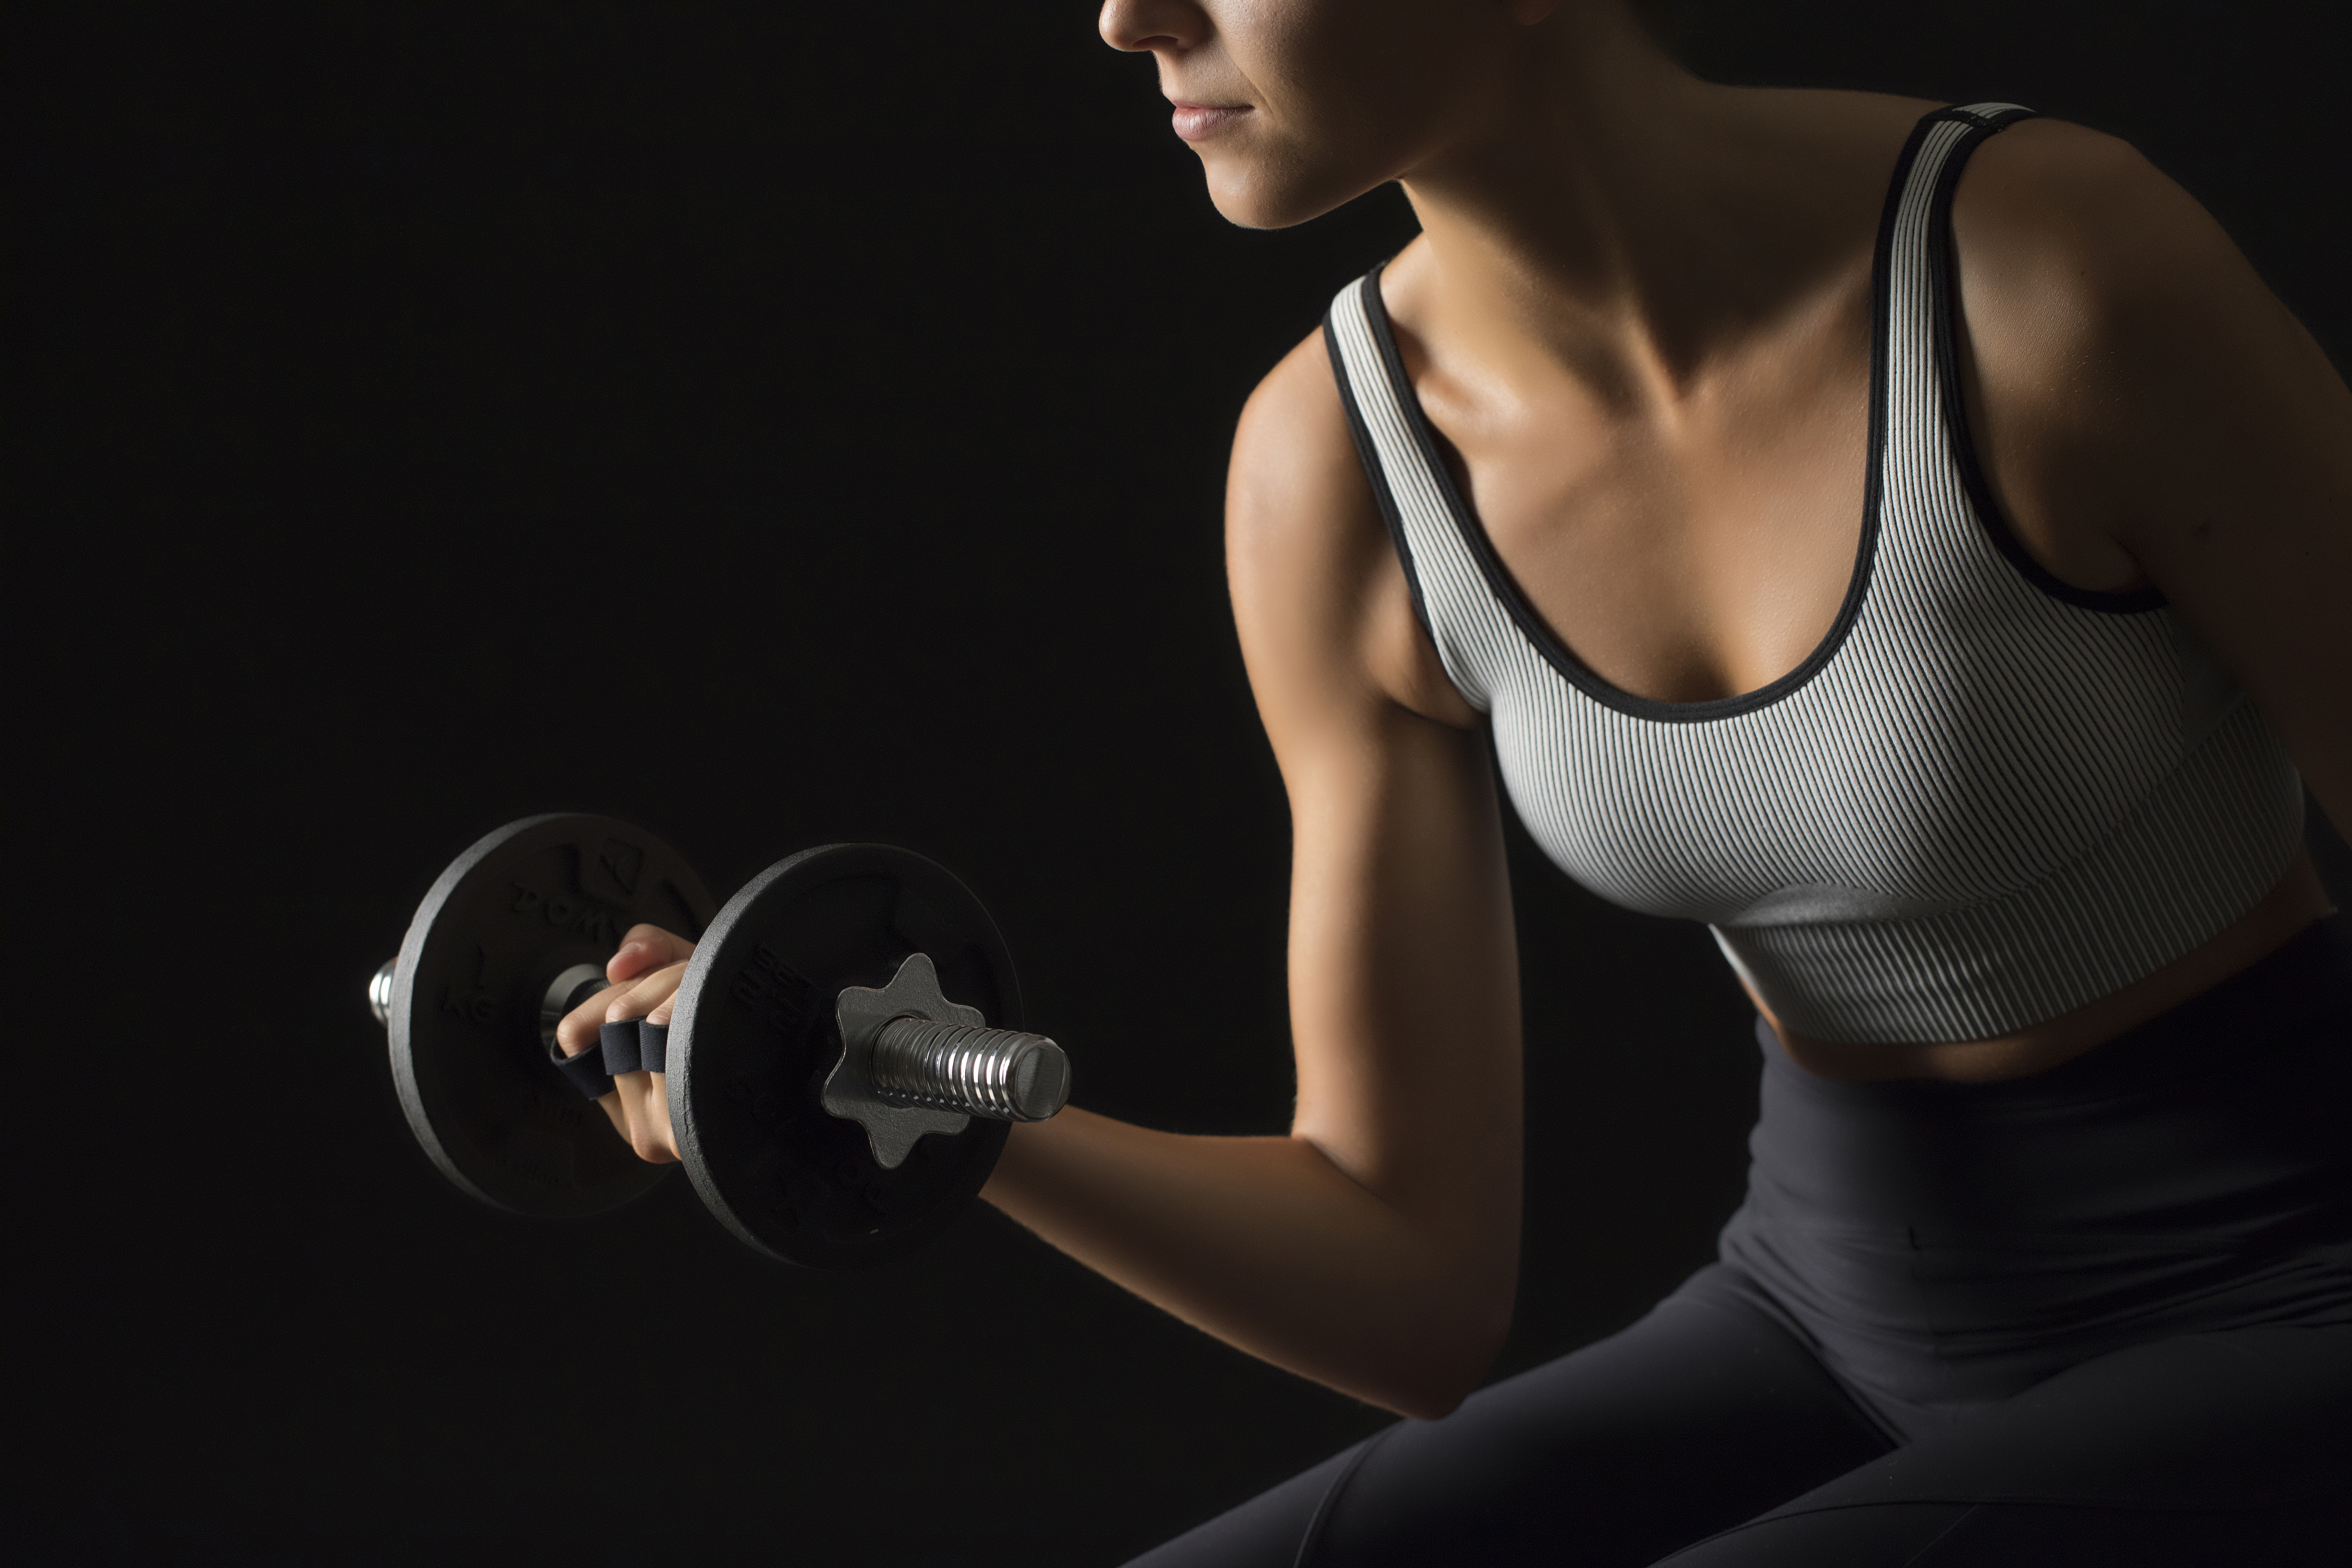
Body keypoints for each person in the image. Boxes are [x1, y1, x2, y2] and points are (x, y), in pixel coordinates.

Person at [558, 2, 2352, 1560]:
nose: (1129, 15)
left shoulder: (2049, 277)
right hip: (1831, 1302)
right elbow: (1405, 1287)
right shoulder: (1335, 469)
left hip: (2293, 1274)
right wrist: (888, 1084)